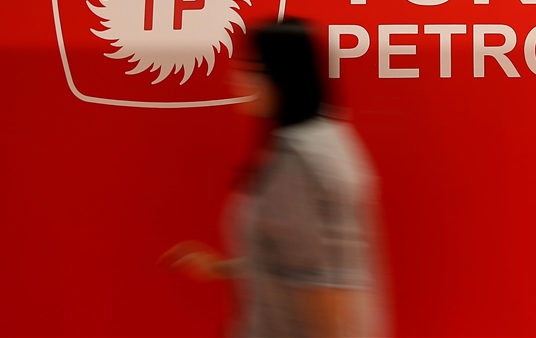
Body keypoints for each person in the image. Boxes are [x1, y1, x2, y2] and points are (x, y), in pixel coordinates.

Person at [160, 18, 388, 337]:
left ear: (282, 75)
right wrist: (220, 267)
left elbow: (324, 282)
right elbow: (292, 257)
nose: (237, 77)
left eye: (251, 68)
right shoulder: (320, 140)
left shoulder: (301, 158)